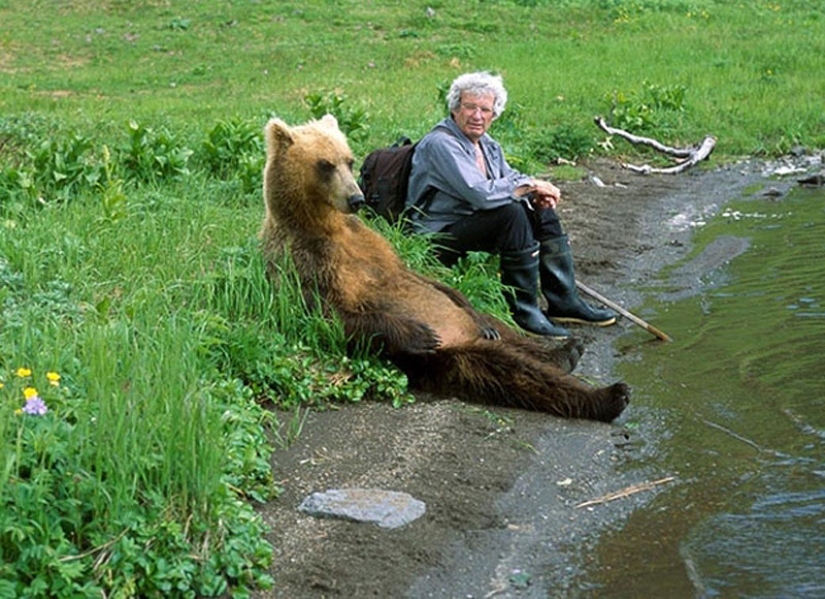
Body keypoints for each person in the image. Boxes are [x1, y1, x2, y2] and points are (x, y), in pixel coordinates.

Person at [406, 71, 617, 338]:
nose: (477, 116)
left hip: (472, 225)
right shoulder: (441, 143)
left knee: (540, 208)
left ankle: (565, 301)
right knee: (511, 213)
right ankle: (525, 311)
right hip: (437, 238)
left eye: (485, 109)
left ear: (495, 114)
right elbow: (480, 194)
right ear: (456, 108)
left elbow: (510, 179)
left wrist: (534, 192)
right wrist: (529, 186)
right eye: (470, 107)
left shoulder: (487, 144)